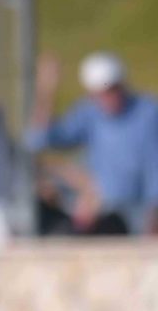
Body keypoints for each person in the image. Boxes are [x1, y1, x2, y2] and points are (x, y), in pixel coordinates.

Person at [28, 52, 158, 235]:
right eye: (100, 93)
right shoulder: (89, 113)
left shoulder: (148, 113)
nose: (107, 98)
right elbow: (39, 139)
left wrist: (154, 212)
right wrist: (46, 89)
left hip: (141, 213)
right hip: (102, 212)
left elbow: (154, 165)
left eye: (112, 89)